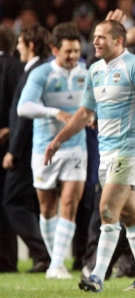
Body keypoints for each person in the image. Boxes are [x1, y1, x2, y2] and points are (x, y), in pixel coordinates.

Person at [44, 20, 135, 292]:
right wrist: (57, 140)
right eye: (94, 37)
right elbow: (84, 114)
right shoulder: (94, 70)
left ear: (119, 41)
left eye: (101, 37)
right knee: (131, 217)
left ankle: (96, 275)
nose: (94, 41)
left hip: (131, 149)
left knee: (107, 210)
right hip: (106, 152)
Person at [17, 22, 87, 279]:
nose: (73, 56)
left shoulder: (86, 71)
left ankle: (56, 264)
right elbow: (23, 107)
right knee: (47, 209)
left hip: (76, 148)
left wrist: (93, 116)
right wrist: (53, 112)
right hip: (44, 148)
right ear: (55, 49)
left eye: (77, 51)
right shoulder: (42, 73)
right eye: (68, 51)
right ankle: (55, 260)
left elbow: (96, 102)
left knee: (69, 202)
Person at [2, 24, 52, 274]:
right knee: (31, 203)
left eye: (21, 43)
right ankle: (43, 255)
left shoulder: (35, 71)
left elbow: (24, 116)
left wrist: (13, 150)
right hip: (34, 147)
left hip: (26, 149)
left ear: (31, 45)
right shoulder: (34, 69)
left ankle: (43, 253)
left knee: (12, 201)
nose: (17, 48)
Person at [0, 24, 24, 273]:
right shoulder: (18, 68)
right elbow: (21, 108)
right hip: (12, 147)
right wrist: (9, 129)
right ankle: (8, 260)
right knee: (7, 205)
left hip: (10, 147)